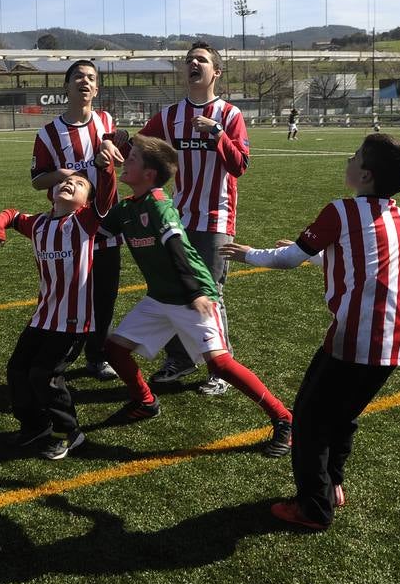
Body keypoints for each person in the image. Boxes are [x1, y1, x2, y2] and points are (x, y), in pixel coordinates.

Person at [221, 133, 400, 530]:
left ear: (364, 174)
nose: (348, 159)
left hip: (354, 337)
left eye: (356, 156)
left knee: (309, 422)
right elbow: (361, 260)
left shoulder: (341, 211)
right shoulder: (397, 214)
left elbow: (291, 258)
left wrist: (250, 255)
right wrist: (318, 253)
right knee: (342, 416)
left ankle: (313, 507)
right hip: (394, 338)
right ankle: (332, 485)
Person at [98, 136, 293, 456]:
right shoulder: (127, 208)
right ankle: (145, 402)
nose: (125, 161)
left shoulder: (159, 205)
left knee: (220, 365)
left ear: (149, 174)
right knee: (115, 350)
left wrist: (195, 292)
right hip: (161, 298)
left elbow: (177, 248)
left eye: (132, 158)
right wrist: (102, 169)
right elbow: (99, 226)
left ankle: (284, 418)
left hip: (193, 295)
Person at [123, 42, 249, 396]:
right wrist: (114, 140)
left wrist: (216, 133)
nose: (194, 63)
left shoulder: (230, 115)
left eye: (202, 60)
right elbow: (141, 144)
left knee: (209, 293)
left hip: (215, 218)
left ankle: (220, 368)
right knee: (177, 290)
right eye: (189, 60)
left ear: (216, 72)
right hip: (177, 217)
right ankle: (180, 358)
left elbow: (239, 164)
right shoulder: (169, 115)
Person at [0, 143, 119, 459]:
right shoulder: (39, 224)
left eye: (80, 183)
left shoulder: (85, 221)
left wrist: (105, 168)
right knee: (17, 369)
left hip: (73, 322)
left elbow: (108, 195)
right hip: (43, 317)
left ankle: (70, 432)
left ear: (86, 201)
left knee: (44, 375)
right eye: (65, 180)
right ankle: (34, 426)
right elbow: (10, 214)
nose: (70, 182)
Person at [30, 59, 122, 381]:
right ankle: (62, 354)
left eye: (91, 78)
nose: (85, 82)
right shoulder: (48, 134)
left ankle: (97, 357)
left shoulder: (106, 120)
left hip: (107, 224)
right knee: (71, 295)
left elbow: (119, 143)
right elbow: (37, 180)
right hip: (70, 233)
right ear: (66, 86)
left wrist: (111, 144)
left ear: (97, 88)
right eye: (79, 77)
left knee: (106, 294)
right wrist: (65, 173)